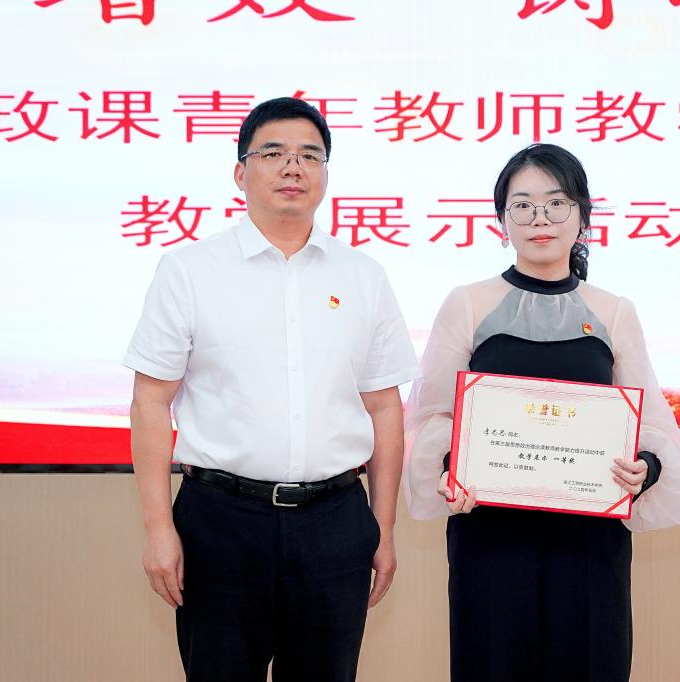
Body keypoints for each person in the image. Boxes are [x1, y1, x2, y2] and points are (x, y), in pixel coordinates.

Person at [124, 97, 419, 682]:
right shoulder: (189, 271)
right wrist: (159, 530)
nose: (293, 167)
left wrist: (382, 529)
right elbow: (150, 402)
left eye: (310, 156)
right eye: (274, 153)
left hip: (335, 523)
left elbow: (385, 408)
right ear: (240, 173)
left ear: (325, 174)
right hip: (221, 523)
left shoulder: (363, 276)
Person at [403, 143, 680, 682]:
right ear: (502, 221)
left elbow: (651, 423)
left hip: (588, 545)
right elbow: (432, 416)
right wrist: (448, 467)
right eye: (523, 205)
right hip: (491, 537)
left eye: (557, 203)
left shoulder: (613, 311)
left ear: (583, 215)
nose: (540, 219)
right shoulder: (468, 302)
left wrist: (646, 467)